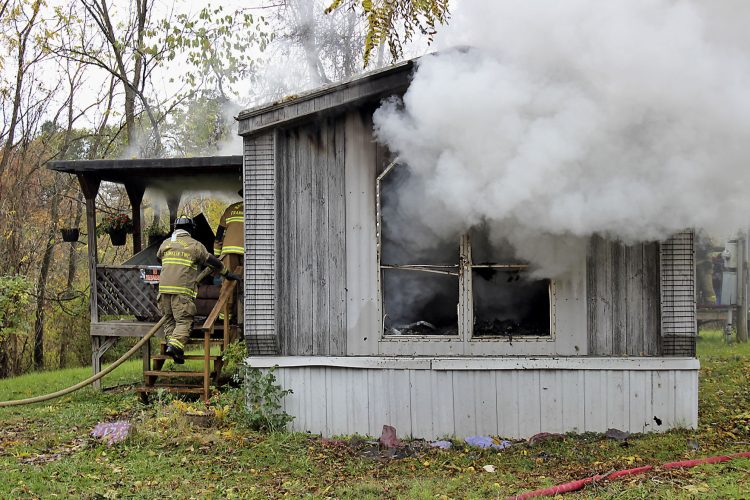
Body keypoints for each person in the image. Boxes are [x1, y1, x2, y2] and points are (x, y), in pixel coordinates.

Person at [157, 216, 241, 364]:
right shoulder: (194, 245)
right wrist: (227, 273)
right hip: (181, 292)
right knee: (184, 321)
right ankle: (175, 346)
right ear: (191, 230)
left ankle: (176, 350)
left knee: (169, 320)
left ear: (175, 228)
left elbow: (159, 258)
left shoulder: (165, 244)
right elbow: (213, 262)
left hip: (163, 291)